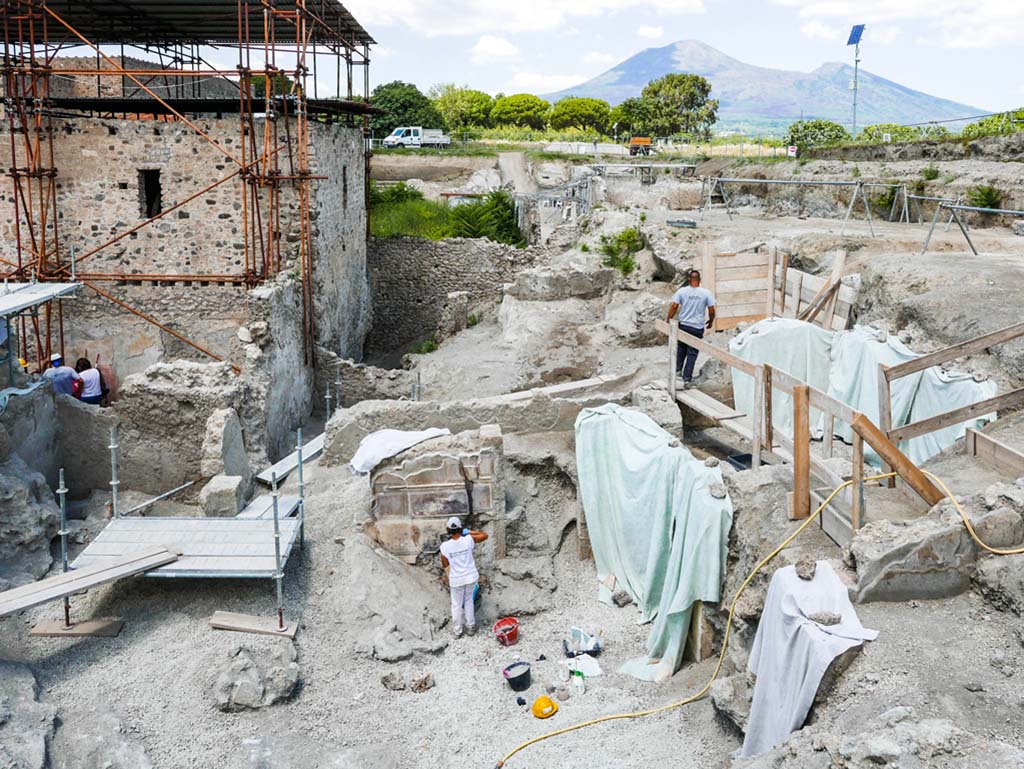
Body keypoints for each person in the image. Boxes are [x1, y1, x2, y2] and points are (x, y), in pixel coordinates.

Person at [439, 516, 488, 638]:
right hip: (471, 577)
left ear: (448, 530)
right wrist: (468, 532)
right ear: (460, 528)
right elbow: (484, 535)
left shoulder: (445, 546)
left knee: (456, 604)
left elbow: (445, 564)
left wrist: (451, 577)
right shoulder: (468, 540)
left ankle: (457, 631)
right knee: (468, 601)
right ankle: (470, 627)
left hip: (456, 580)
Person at [667, 269, 716, 385]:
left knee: (681, 349)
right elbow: (712, 309)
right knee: (692, 353)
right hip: (697, 328)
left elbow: (674, 306)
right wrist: (711, 321)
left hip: (683, 325)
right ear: (699, 280)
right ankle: (687, 379)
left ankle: (677, 373)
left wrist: (668, 318)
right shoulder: (706, 293)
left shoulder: (682, 291)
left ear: (689, 279)